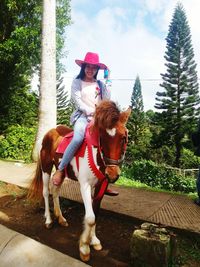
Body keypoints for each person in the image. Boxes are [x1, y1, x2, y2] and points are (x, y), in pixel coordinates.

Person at [53, 52, 118, 196]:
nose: (90, 70)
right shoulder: (77, 82)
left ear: (97, 70)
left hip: (99, 119)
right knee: (77, 138)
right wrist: (91, 112)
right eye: (88, 66)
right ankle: (60, 169)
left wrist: (108, 81)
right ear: (83, 67)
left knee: (109, 141)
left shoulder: (100, 84)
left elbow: (106, 100)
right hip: (83, 116)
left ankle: (104, 182)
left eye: (94, 67)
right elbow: (77, 101)